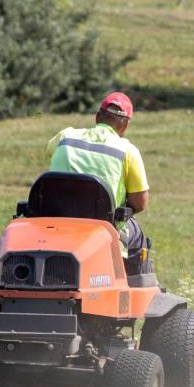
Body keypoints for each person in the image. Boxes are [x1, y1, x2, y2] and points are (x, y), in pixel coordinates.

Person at [46, 92, 151, 270]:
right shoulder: (128, 151)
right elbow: (139, 203)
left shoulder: (65, 137)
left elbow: (49, 151)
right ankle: (131, 288)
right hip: (102, 230)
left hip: (55, 223)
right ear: (125, 125)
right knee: (137, 234)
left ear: (97, 117)